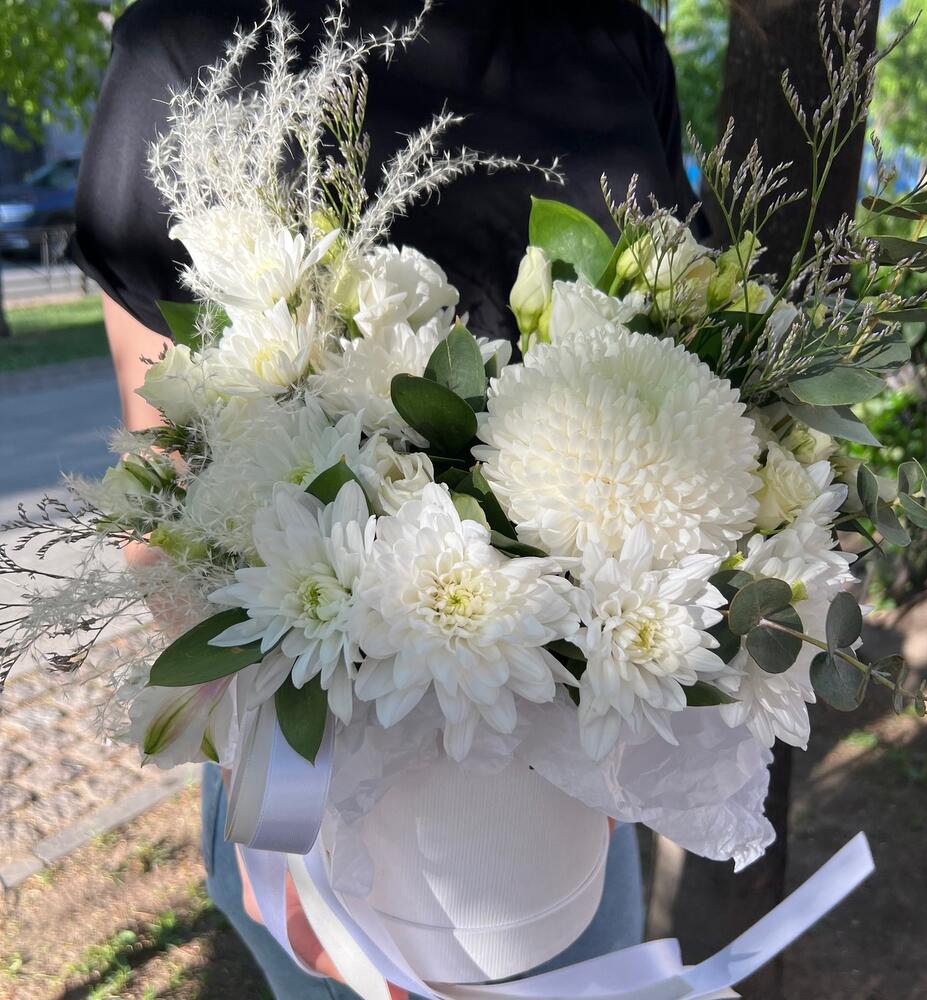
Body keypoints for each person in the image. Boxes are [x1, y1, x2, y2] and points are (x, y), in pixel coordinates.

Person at [73, 1, 700, 996]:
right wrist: (281, 817)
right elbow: (164, 482)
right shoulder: (189, 38)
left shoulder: (610, 36)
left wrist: (630, 738)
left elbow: (682, 366)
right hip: (308, 761)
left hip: (569, 780)